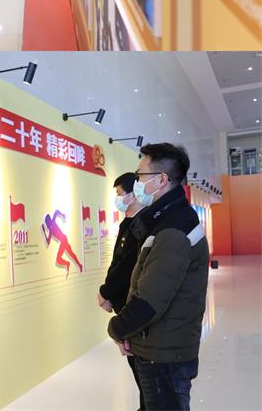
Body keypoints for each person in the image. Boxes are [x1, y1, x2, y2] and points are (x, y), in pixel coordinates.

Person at [108, 143, 209, 411]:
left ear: (161, 180)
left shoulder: (174, 229)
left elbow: (150, 301)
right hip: (158, 348)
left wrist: (117, 328)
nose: (137, 182)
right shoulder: (166, 220)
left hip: (164, 355)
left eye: (140, 175)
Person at [98, 172, 145, 410]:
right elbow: (116, 263)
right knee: (137, 366)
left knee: (142, 366)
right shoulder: (128, 224)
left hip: (132, 305)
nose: (117, 199)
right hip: (123, 304)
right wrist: (106, 293)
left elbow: (126, 266)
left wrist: (105, 292)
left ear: (133, 194)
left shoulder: (141, 227)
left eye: (119, 193)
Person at [41, 209, 83, 276]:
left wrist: (44, 232)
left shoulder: (51, 227)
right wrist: (62, 215)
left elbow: (48, 242)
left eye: (47, 222)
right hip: (64, 239)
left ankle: (68, 263)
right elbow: (56, 212)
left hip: (63, 240)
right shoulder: (52, 225)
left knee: (58, 259)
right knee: (71, 254)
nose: (47, 223)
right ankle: (79, 265)